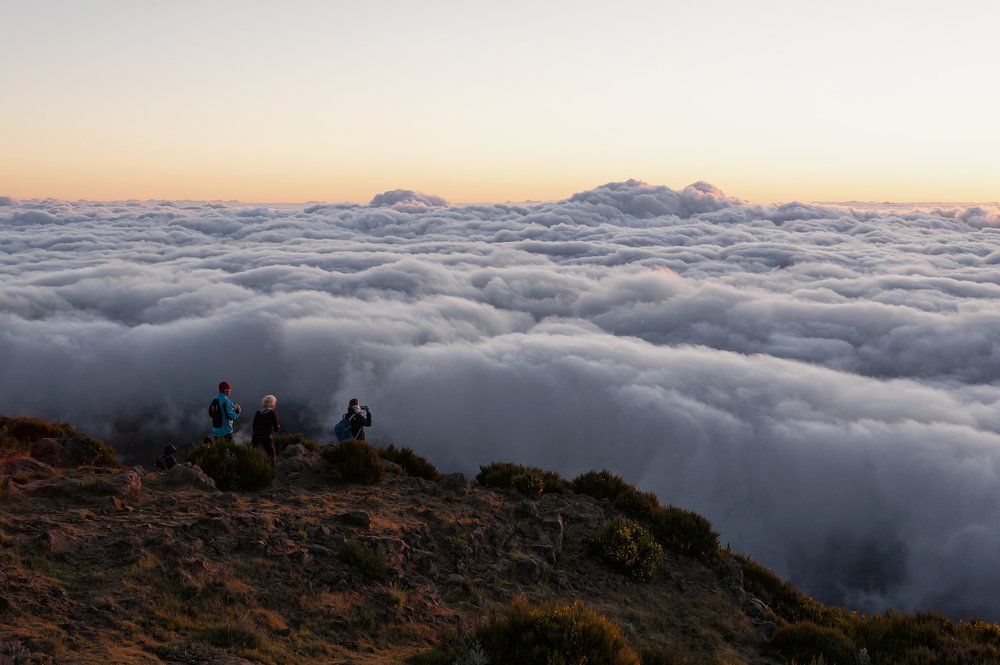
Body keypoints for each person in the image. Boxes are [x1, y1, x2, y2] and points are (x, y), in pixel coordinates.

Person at [251, 394, 281, 465]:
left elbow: (254, 427)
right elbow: (276, 429)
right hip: (266, 438)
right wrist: (278, 426)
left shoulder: (258, 413)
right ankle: (271, 472)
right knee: (271, 455)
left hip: (256, 437)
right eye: (274, 403)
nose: (275, 405)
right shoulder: (272, 413)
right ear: (272, 403)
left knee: (253, 456)